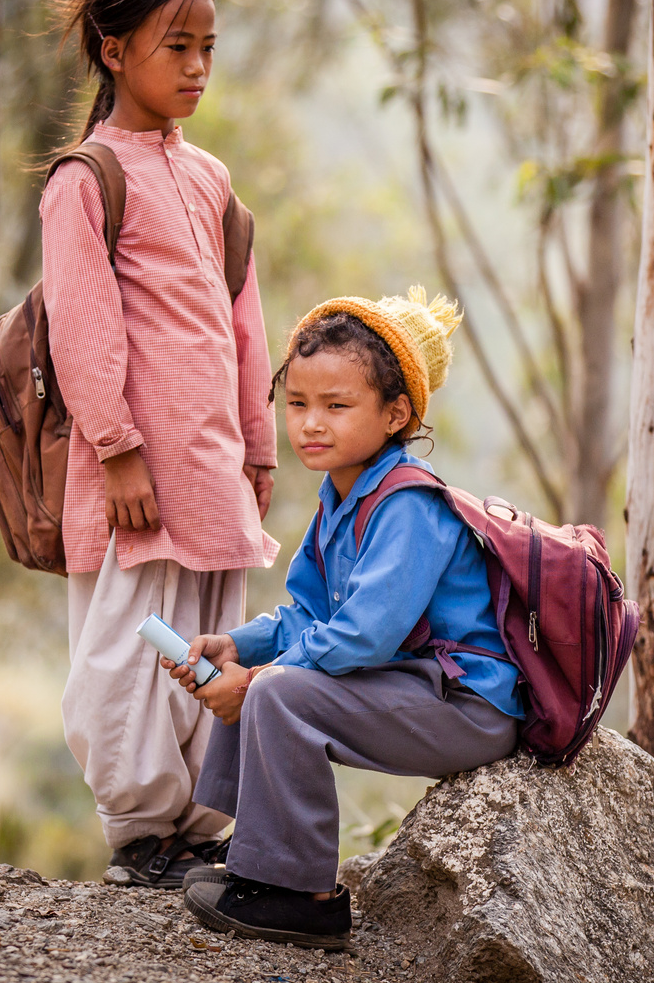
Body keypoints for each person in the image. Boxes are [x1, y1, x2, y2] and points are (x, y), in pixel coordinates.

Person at [163, 289, 523, 950]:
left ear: (396, 415)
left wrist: (254, 677)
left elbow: (365, 634)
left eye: (337, 406)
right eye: (297, 404)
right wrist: (236, 645)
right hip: (418, 689)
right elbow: (307, 612)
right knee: (273, 677)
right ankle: (257, 864)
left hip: (468, 707)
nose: (310, 424)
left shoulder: (410, 504)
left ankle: (305, 897)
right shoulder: (341, 497)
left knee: (278, 688)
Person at [42, 0, 278, 888]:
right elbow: (84, 324)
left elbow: (243, 323)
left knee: (212, 633)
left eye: (207, 48)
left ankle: (197, 826)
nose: (196, 68)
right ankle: (142, 833)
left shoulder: (214, 181)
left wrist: (258, 448)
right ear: (111, 50)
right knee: (129, 648)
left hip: (215, 463)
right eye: (175, 46)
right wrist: (118, 450)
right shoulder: (86, 179)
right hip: (135, 470)